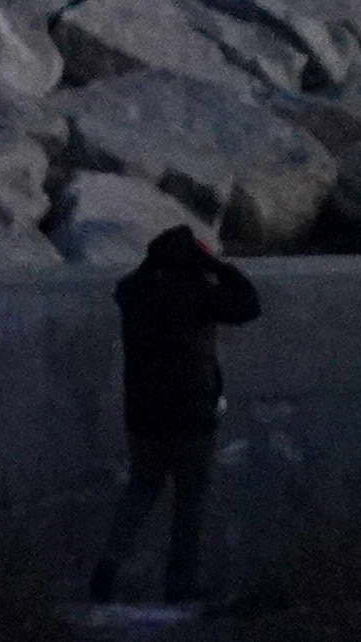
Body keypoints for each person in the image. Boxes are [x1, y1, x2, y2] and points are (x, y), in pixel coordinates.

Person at [90, 224, 265, 606]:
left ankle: (107, 568)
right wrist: (213, 263)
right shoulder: (198, 293)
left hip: (144, 414)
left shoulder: (134, 292)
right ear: (192, 257)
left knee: (142, 488)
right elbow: (249, 303)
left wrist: (156, 262)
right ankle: (178, 584)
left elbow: (126, 283)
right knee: (190, 501)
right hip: (191, 414)